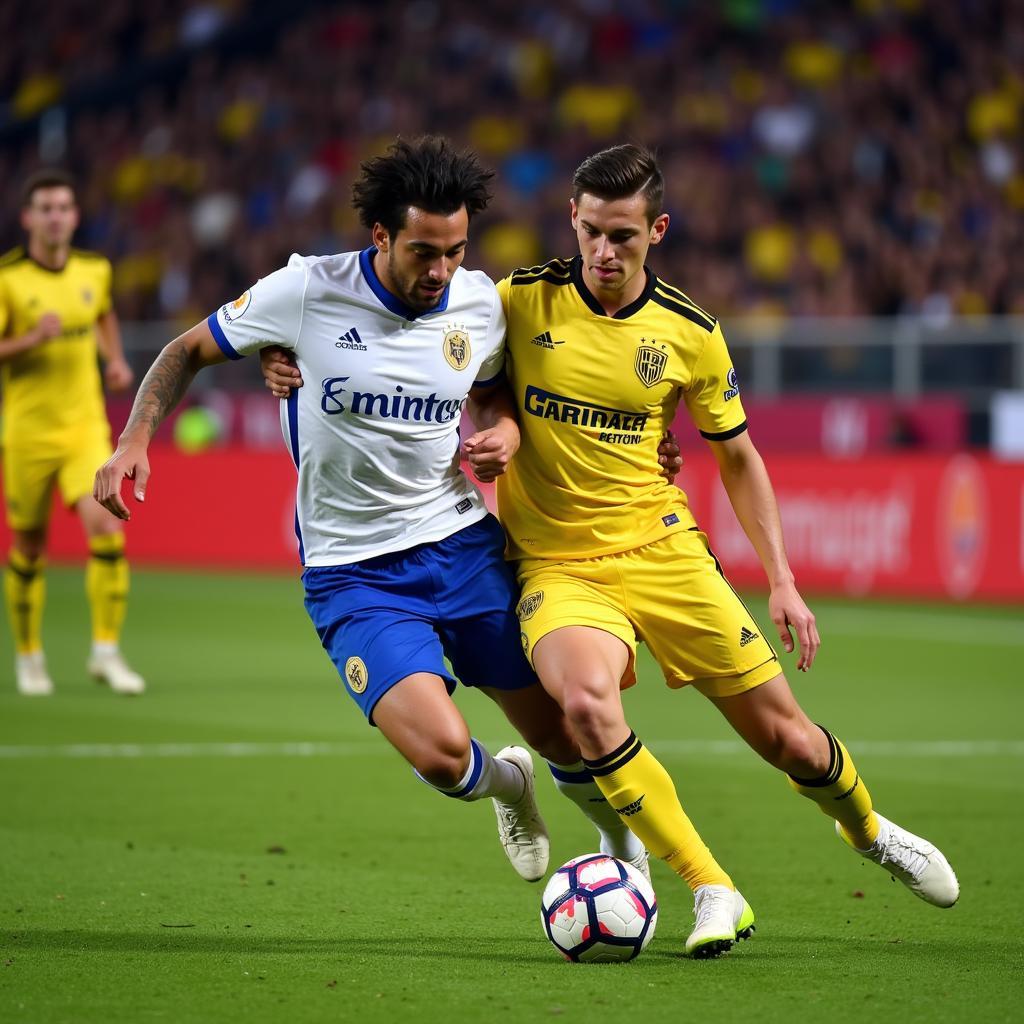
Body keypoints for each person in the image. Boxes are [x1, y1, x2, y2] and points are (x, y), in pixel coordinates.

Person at [93, 136, 676, 902]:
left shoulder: (476, 301)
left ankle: (618, 847)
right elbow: (187, 349)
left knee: (564, 728)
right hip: (354, 573)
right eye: (424, 252)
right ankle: (507, 788)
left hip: (462, 545)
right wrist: (135, 436)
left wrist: (502, 429)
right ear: (381, 237)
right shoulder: (304, 291)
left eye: (457, 251)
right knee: (441, 757)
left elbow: (498, 391)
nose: (442, 271)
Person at [492, 144, 959, 953]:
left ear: (659, 231)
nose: (605, 252)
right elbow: (414, 327)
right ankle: (712, 887)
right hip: (557, 564)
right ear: (572, 218)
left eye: (625, 237)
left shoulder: (690, 333)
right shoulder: (515, 301)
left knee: (791, 740)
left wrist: (782, 579)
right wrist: (288, 353)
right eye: (593, 232)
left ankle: (869, 830)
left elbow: (737, 455)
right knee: (587, 706)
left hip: (664, 552)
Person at [1, 169, 144, 696]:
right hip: (27, 433)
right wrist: (29, 340)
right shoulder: (9, 279)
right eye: (46, 208)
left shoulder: (95, 270)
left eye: (64, 207)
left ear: (75, 216)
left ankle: (106, 652)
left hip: (84, 428)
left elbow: (102, 314)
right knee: (30, 548)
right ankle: (29, 656)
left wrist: (114, 359)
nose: (56, 216)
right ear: (28, 218)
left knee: (107, 528)